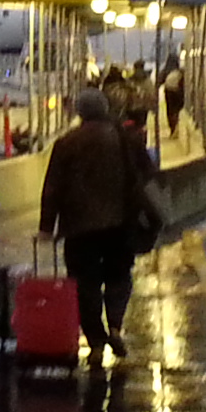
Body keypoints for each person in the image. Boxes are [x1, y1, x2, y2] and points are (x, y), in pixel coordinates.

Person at [39, 87, 155, 370]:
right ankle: (115, 325)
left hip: (79, 227)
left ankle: (96, 341)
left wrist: (46, 227)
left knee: (84, 283)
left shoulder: (67, 143)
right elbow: (149, 177)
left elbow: (53, 188)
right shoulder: (127, 139)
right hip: (121, 222)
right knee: (119, 275)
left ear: (80, 112)